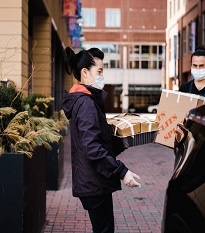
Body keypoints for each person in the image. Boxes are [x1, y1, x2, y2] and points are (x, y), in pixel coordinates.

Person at [62, 47, 141, 233]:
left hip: (92, 181)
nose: (102, 76)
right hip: (94, 183)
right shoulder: (86, 103)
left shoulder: (84, 100)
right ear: (85, 73)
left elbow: (95, 140)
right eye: (99, 71)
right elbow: (93, 148)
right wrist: (122, 172)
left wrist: (122, 141)